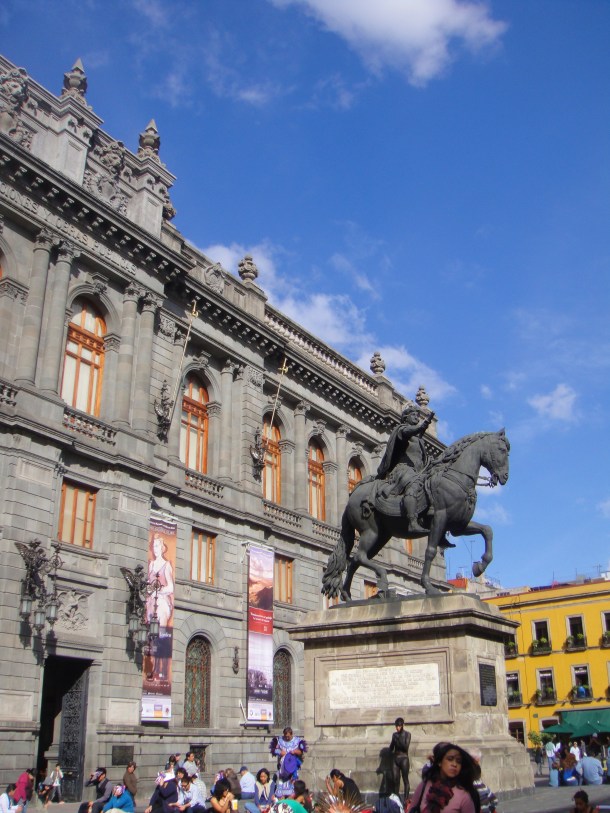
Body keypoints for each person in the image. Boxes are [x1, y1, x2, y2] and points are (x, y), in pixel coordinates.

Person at [376, 404, 434, 531]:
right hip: (403, 469)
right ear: (406, 418)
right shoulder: (401, 430)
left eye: (418, 416)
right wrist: (422, 426)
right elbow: (408, 432)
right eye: (413, 415)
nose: (416, 418)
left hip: (418, 470)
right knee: (413, 485)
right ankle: (412, 522)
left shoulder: (418, 439)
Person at [409, 742, 481, 813]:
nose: (454, 764)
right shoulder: (425, 785)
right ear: (440, 762)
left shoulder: (464, 796)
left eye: (458, 761)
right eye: (450, 759)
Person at [270, 727, 308, 799]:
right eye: (285, 736)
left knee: (293, 784)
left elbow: (301, 751)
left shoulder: (297, 741)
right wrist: (280, 752)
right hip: (282, 768)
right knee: (281, 784)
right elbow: (274, 750)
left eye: (288, 736)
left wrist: (294, 752)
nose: (287, 738)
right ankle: (281, 798)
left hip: (292, 767)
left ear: (291, 734)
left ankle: (292, 799)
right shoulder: (280, 740)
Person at [148, 534, 174, 628]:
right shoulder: (151, 564)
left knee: (160, 630)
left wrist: (159, 590)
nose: (155, 549)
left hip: (162, 601)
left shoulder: (166, 565)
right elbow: (147, 583)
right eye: (154, 546)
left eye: (157, 546)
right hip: (151, 601)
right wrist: (150, 589)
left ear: (162, 547)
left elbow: (171, 587)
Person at [389, 717, 411, 800]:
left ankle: (406, 799)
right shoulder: (394, 735)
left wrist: (398, 739)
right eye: (396, 726)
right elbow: (391, 747)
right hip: (395, 758)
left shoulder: (407, 734)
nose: (397, 728)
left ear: (402, 726)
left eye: (399, 726)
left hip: (404, 758)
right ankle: (396, 798)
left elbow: (405, 747)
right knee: (395, 779)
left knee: (405, 779)